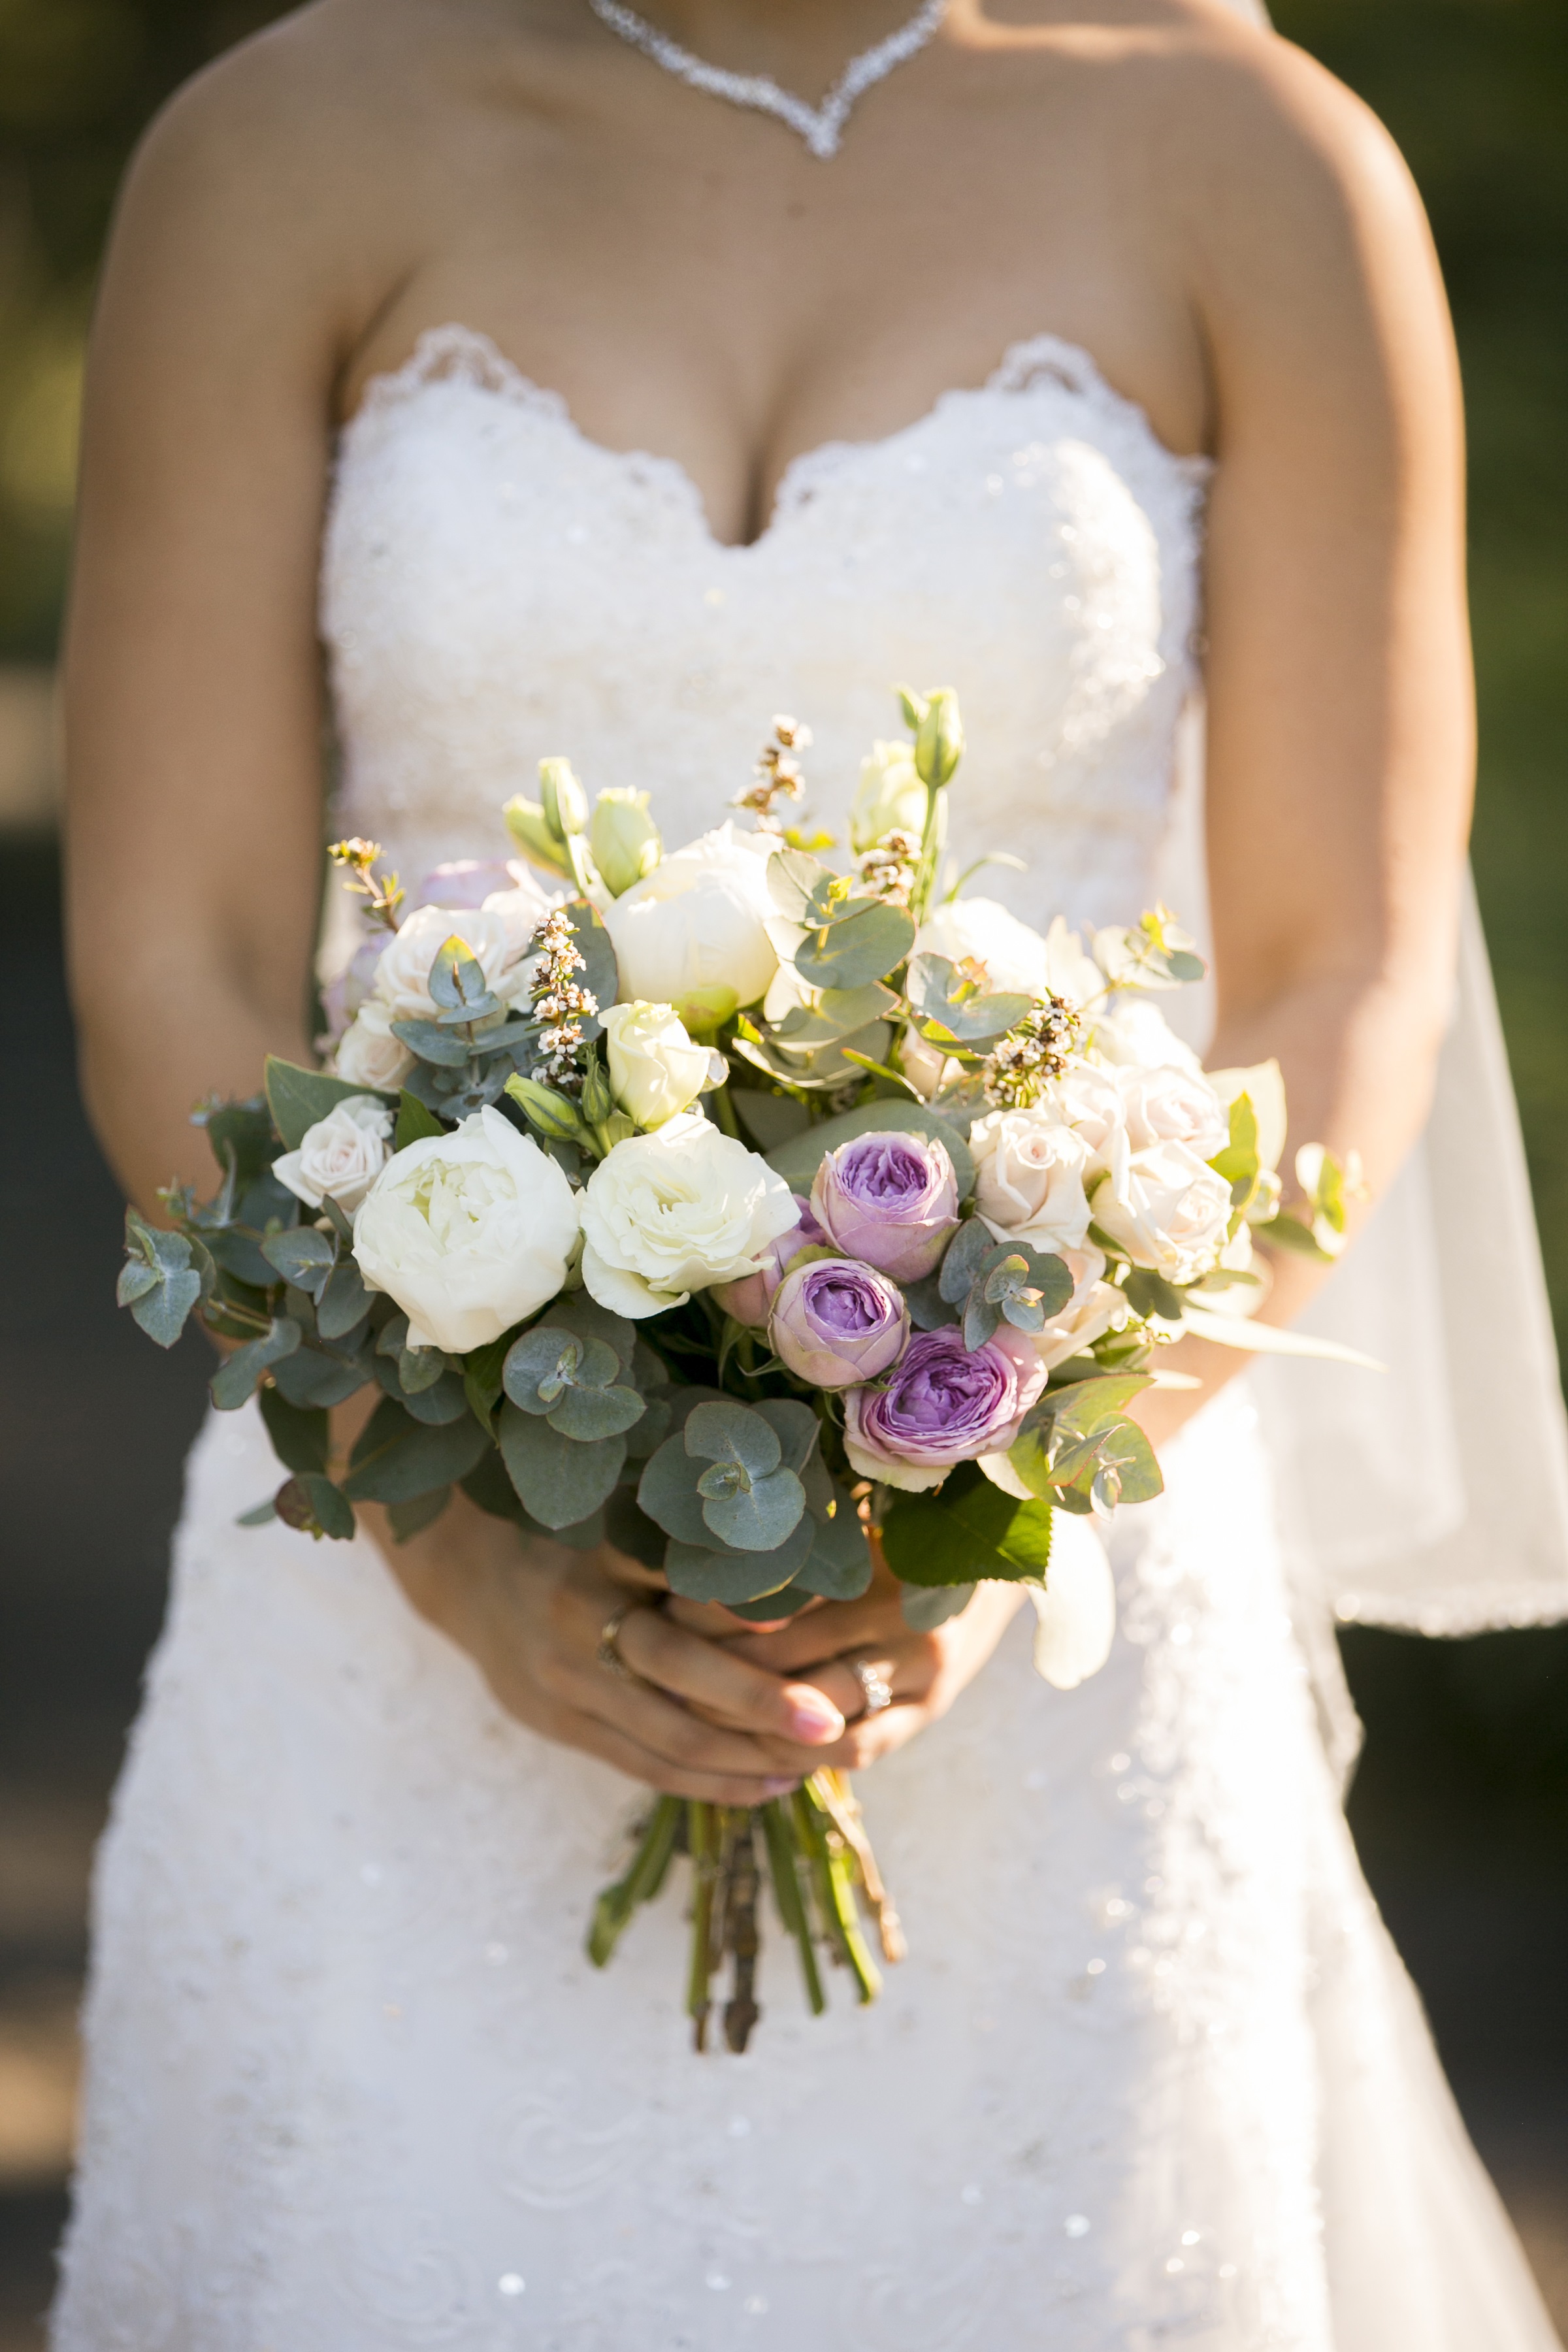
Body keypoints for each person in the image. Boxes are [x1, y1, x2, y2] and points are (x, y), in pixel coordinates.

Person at [56, 1, 1568, 2344]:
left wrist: (1012, 1495)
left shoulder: (1250, 153)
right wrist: (442, 1525)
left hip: (1050, 1610)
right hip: (384, 1585)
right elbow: (180, 945)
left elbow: (1337, 963)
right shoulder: (284, 143)